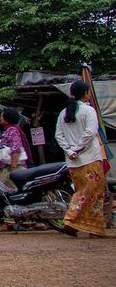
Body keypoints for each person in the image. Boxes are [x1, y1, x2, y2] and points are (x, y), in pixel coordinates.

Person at [55, 81, 108, 238]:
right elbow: (90, 133)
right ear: (86, 93)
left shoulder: (63, 113)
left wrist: (70, 151)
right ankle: (72, 219)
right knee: (94, 193)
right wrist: (77, 149)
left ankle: (88, 225)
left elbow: (59, 135)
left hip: (73, 162)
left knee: (82, 191)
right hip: (90, 158)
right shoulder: (88, 111)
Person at [0, 108, 29, 190]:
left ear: (7, 119)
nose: (0, 118)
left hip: (11, 169)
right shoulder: (8, 131)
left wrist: (13, 169)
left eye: (1, 116)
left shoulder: (12, 131)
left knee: (13, 193)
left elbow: (16, 149)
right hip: (8, 168)